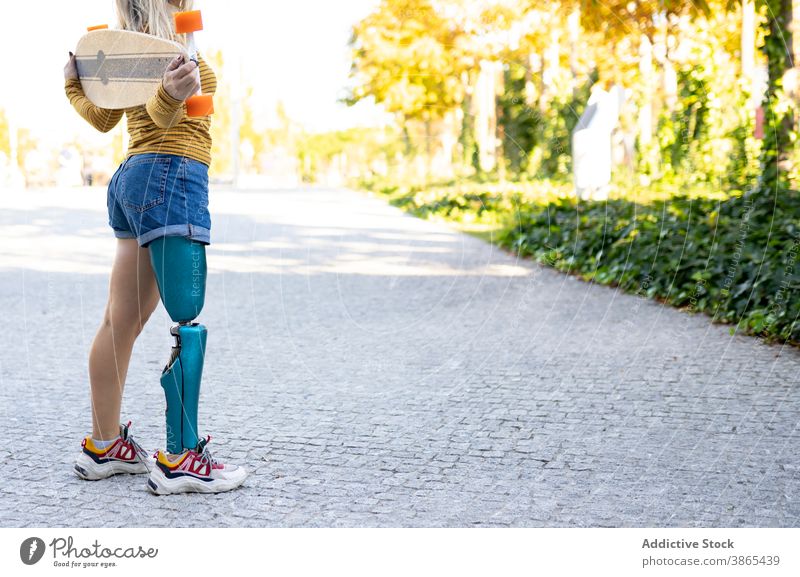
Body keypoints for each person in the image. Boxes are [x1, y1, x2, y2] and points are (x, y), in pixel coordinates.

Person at [64, 0, 247, 494]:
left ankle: (104, 448)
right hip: (172, 172)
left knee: (118, 322)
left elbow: (102, 117)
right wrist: (168, 93)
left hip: (135, 178)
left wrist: (72, 84)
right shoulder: (163, 47)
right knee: (188, 318)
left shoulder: (126, 49)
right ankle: (182, 459)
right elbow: (161, 113)